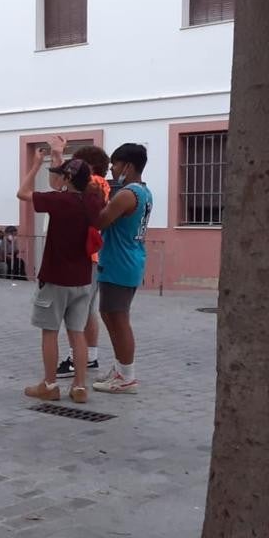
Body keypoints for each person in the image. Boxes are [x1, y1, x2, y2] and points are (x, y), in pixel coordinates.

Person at [16, 137, 104, 404]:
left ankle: (50, 383)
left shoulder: (59, 201)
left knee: (50, 332)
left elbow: (22, 193)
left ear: (67, 178)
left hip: (55, 277)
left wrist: (34, 166)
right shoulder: (93, 202)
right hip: (82, 278)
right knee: (77, 333)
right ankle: (79, 387)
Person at [92, 143, 153, 395]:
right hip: (127, 260)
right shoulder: (144, 192)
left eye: (114, 165)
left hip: (120, 262)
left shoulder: (127, 194)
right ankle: (120, 369)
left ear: (127, 165)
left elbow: (100, 220)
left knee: (118, 319)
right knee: (111, 315)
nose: (112, 170)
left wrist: (94, 196)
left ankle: (126, 376)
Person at [56, 145, 113, 380]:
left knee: (77, 310)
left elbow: (57, 186)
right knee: (88, 310)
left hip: (87, 256)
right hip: (93, 256)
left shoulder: (96, 183)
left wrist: (58, 156)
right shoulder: (100, 184)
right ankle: (89, 356)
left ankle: (75, 357)